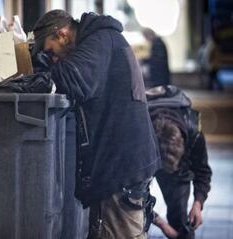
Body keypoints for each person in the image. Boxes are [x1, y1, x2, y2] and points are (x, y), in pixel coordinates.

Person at [32, 10, 160, 239]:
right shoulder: (101, 40)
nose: (53, 58)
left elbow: (74, 80)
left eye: (50, 51)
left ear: (62, 34)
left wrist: (41, 66)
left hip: (121, 166)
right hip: (121, 162)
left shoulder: (100, 40)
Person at [147, 85, 212, 239]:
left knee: (180, 222)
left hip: (177, 169)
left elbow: (202, 171)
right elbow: (129, 192)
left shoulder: (194, 134)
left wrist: (198, 203)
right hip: (147, 155)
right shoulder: (139, 135)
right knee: (133, 212)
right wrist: (162, 224)